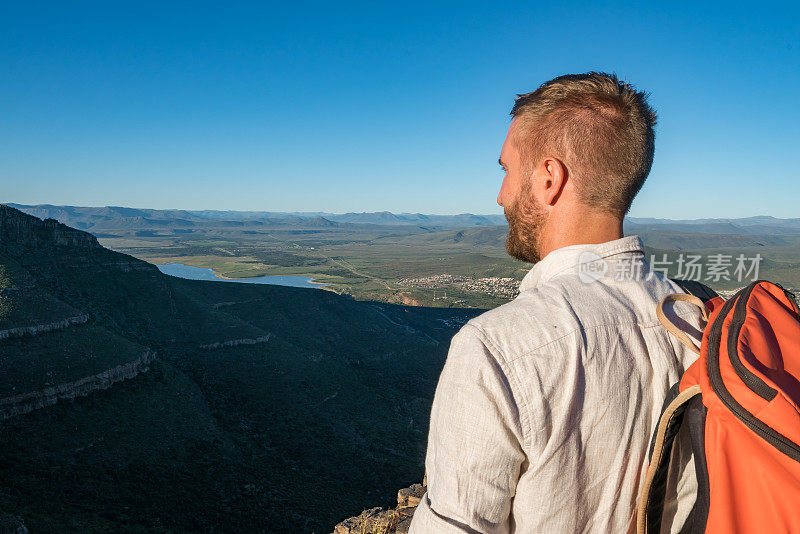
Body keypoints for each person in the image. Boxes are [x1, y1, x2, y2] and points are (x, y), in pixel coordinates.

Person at [408, 72, 704, 533]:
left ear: (549, 178)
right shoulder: (703, 319)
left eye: (506, 170)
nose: (501, 195)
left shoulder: (495, 349)